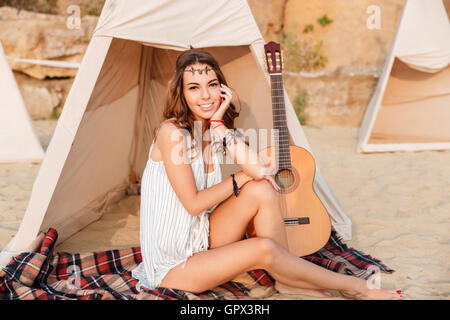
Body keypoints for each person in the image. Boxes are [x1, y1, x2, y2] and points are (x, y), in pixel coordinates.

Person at [131, 49, 403, 300]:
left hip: (200, 238)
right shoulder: (171, 133)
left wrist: (219, 124)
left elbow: (260, 170)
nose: (205, 96)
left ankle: (286, 280)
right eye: (194, 88)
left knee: (262, 188)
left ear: (222, 89)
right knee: (262, 248)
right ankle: (356, 287)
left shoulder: (214, 130)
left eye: (212, 85)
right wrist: (240, 178)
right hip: (174, 264)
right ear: (181, 93)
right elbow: (193, 204)